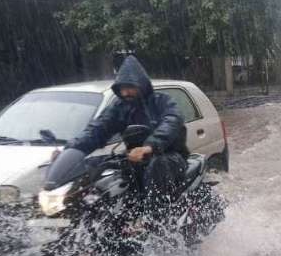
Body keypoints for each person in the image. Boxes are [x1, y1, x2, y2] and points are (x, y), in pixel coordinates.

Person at [65, 55, 189, 218]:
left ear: (142, 85)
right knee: (93, 167)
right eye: (122, 88)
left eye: (130, 87)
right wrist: (72, 149)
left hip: (169, 156)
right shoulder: (119, 107)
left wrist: (150, 146)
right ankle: (90, 219)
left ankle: (154, 220)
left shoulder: (162, 102)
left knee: (157, 166)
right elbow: (98, 128)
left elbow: (172, 121)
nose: (125, 92)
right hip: (133, 158)